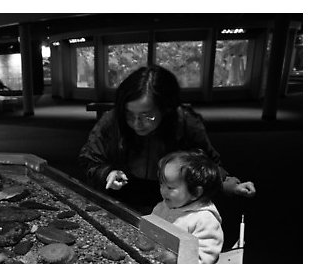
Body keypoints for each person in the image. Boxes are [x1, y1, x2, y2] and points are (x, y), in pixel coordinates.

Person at [78, 65, 256, 215]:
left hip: (172, 200)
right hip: (122, 196)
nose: (137, 124)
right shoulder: (113, 119)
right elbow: (88, 159)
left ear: (165, 109)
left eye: (147, 116)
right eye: (129, 114)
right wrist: (107, 173)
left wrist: (228, 184)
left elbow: (206, 163)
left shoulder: (185, 123)